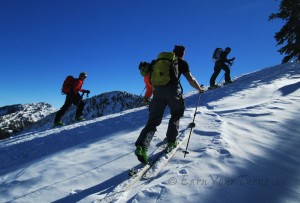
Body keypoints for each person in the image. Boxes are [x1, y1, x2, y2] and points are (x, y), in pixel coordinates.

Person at [134, 45, 204, 164]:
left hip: (157, 92)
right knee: (176, 113)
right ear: (182, 53)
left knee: (152, 121)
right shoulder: (181, 62)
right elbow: (190, 78)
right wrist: (199, 88)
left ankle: (141, 146)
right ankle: (171, 141)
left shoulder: (160, 62)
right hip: (172, 91)